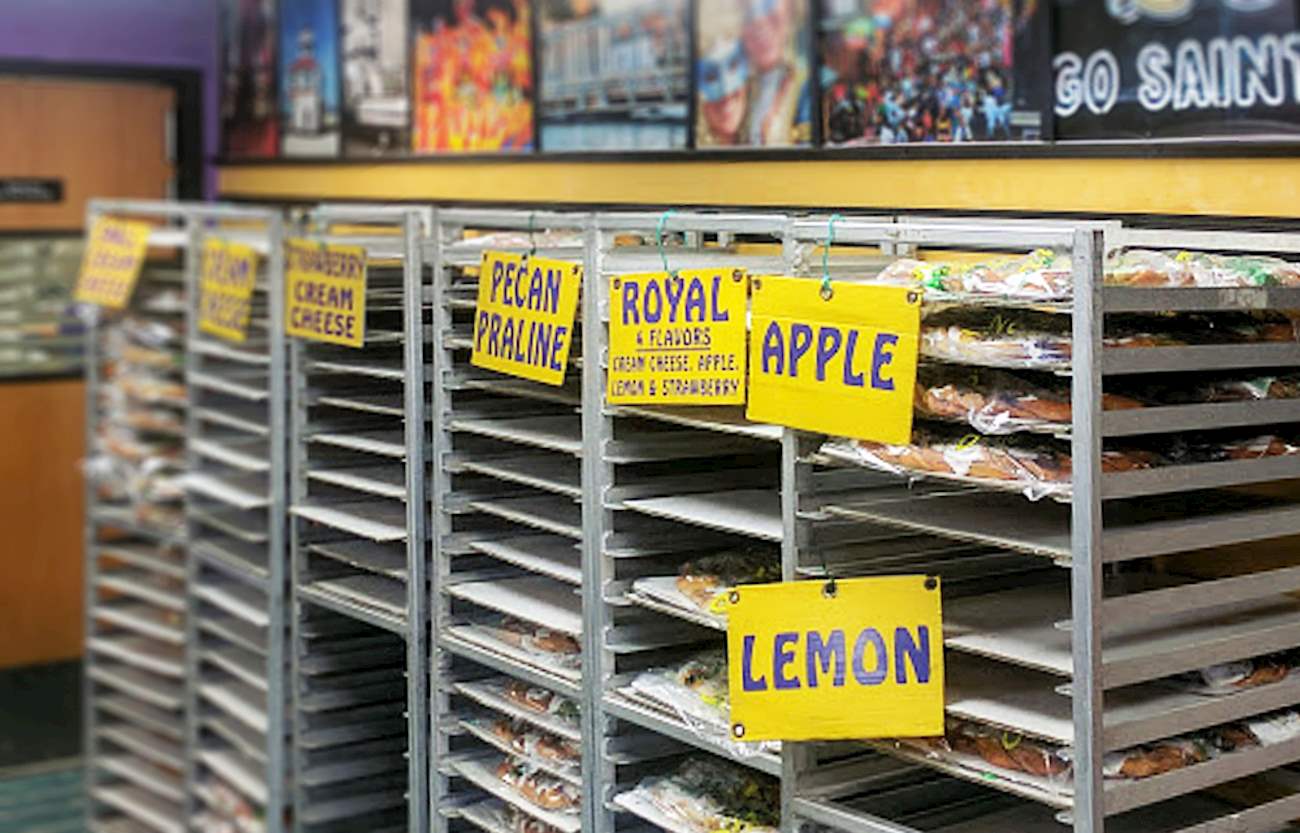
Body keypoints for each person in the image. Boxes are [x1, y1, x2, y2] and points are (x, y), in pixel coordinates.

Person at [738, 0, 810, 145]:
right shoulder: (741, 92)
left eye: (769, 8)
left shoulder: (806, 86)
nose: (760, 24)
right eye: (749, 18)